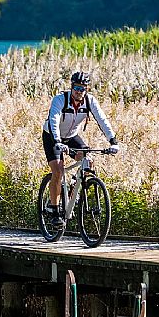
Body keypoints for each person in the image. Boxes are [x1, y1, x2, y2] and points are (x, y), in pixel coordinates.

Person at [42, 71, 121, 223]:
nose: (79, 92)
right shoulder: (60, 100)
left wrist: (113, 141)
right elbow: (54, 120)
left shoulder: (90, 101)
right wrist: (58, 142)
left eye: (82, 88)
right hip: (52, 137)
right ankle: (54, 210)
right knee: (58, 170)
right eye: (77, 88)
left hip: (71, 136)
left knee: (88, 160)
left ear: (87, 89)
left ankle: (72, 190)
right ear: (72, 87)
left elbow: (102, 120)